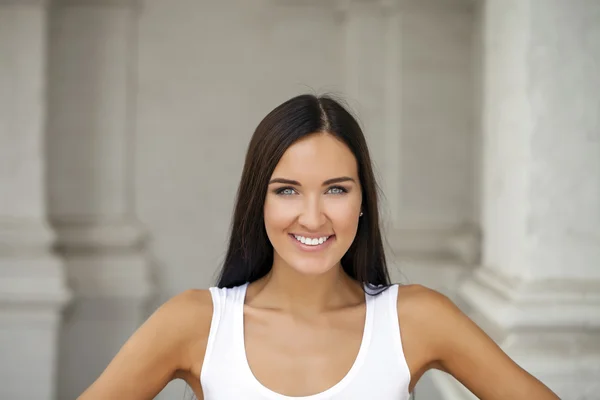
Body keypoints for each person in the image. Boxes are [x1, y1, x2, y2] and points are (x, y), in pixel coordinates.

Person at [79, 94, 560, 400]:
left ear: (362, 201)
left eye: (336, 189)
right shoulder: (195, 322)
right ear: (258, 202)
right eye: (287, 190)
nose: (313, 217)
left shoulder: (415, 318)